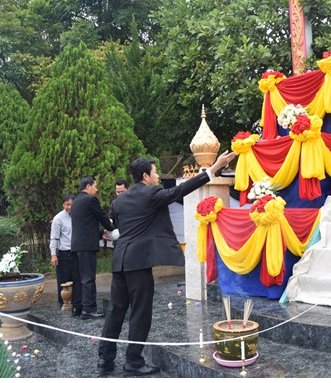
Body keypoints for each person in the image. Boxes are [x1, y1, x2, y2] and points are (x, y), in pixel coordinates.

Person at [97, 150, 236, 375]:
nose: (158, 177)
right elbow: (181, 190)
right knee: (140, 313)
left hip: (120, 261)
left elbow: (115, 226)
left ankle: (105, 358)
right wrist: (214, 168)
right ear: (145, 176)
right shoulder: (152, 193)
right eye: (155, 173)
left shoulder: (120, 199)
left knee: (116, 311)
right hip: (138, 263)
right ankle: (133, 361)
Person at [70, 175, 118, 319]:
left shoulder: (75, 202)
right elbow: (101, 217)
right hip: (86, 245)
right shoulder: (90, 200)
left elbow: (85, 224)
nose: (96, 190)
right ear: (88, 186)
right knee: (88, 278)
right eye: (95, 186)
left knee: (79, 278)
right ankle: (89, 309)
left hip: (77, 245)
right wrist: (111, 227)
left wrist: (100, 233)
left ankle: (77, 307)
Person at [49, 194, 75, 308]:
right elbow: (54, 237)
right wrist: (53, 254)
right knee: (63, 281)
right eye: (67, 205)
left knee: (76, 279)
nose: (69, 207)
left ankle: (76, 302)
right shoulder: (58, 218)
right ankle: (63, 304)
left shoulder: (77, 215)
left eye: (71, 205)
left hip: (76, 251)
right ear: (63, 205)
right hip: (64, 253)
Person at [105, 179, 129, 247]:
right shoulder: (114, 204)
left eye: (122, 192)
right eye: (118, 192)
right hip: (119, 240)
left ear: (128, 189)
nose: (120, 194)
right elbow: (110, 217)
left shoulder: (135, 202)